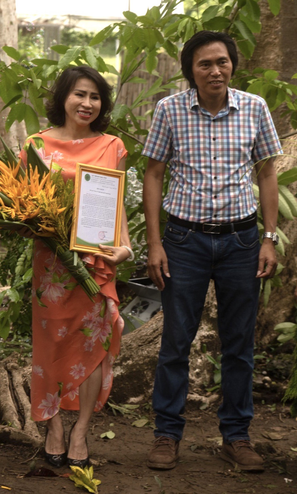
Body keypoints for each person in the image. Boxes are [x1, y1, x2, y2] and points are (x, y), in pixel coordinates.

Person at [143, 30, 281, 473]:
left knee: (239, 343)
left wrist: (269, 237)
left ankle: (237, 437)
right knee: (175, 341)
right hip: (184, 241)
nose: (215, 70)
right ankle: (167, 433)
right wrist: (155, 243)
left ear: (232, 64)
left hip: (242, 241)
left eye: (222, 61)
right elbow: (153, 174)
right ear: (191, 71)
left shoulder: (255, 108)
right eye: (205, 64)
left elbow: (266, 175)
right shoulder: (169, 110)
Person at [22, 65, 130, 469]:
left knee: (95, 347)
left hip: (97, 260)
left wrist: (126, 246)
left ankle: (81, 431)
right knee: (49, 345)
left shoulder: (113, 145)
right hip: (51, 266)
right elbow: (24, 205)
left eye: (95, 96)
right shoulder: (35, 144)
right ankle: (53, 428)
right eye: (79, 94)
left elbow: (115, 202)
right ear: (63, 97)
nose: (87, 103)